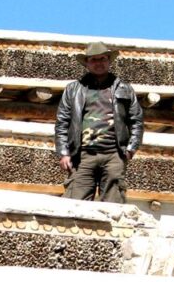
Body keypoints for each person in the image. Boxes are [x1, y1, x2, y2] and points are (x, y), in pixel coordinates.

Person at [54, 42, 144, 203]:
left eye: (102, 58)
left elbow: (136, 120)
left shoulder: (124, 89)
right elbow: (62, 122)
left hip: (114, 155)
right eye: (94, 59)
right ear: (87, 63)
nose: (99, 63)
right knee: (75, 204)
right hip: (82, 156)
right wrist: (63, 152)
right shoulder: (73, 89)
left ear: (109, 60)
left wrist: (131, 148)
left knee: (114, 206)